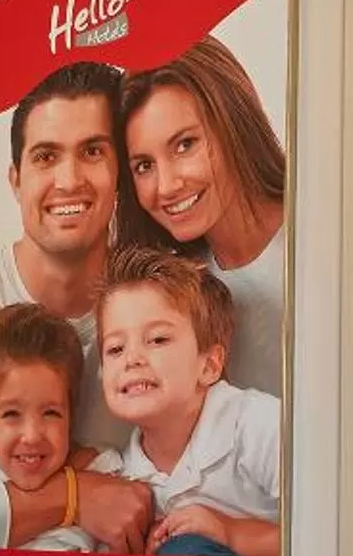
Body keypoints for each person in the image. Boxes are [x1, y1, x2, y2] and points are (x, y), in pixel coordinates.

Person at [0, 62, 156, 552]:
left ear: (121, 176)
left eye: (92, 151)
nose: (68, 180)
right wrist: (75, 496)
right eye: (46, 156)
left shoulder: (156, 311)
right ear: (16, 179)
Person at [118, 36, 289, 399]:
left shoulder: (328, 235)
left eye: (185, 145)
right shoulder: (177, 293)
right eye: (144, 165)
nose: (166, 186)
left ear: (234, 124)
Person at [94, 245, 281, 556]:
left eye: (157, 340)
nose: (132, 359)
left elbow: (327, 537)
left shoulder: (257, 426)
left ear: (208, 366)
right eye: (115, 348)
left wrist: (230, 532)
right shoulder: (126, 479)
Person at [0, 303, 124, 553]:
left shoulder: (107, 477)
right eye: (12, 414)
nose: (32, 436)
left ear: (71, 416)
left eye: (51, 413)